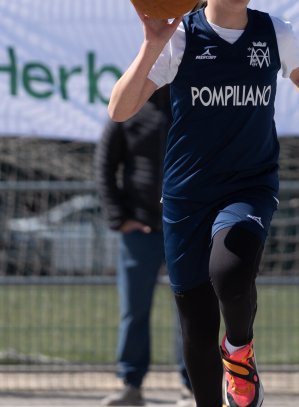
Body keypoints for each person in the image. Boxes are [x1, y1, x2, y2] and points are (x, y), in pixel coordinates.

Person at [108, 0, 299, 407]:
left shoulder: (273, 32)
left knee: (231, 274)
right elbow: (119, 109)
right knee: (196, 324)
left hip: (249, 184)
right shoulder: (182, 38)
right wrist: (152, 43)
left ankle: (239, 352)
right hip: (187, 194)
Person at [96, 85, 195, 407]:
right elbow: (103, 166)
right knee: (134, 310)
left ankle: (193, 388)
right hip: (140, 232)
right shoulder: (128, 110)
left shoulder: (194, 104)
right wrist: (119, 218)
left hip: (187, 230)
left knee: (192, 311)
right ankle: (131, 385)